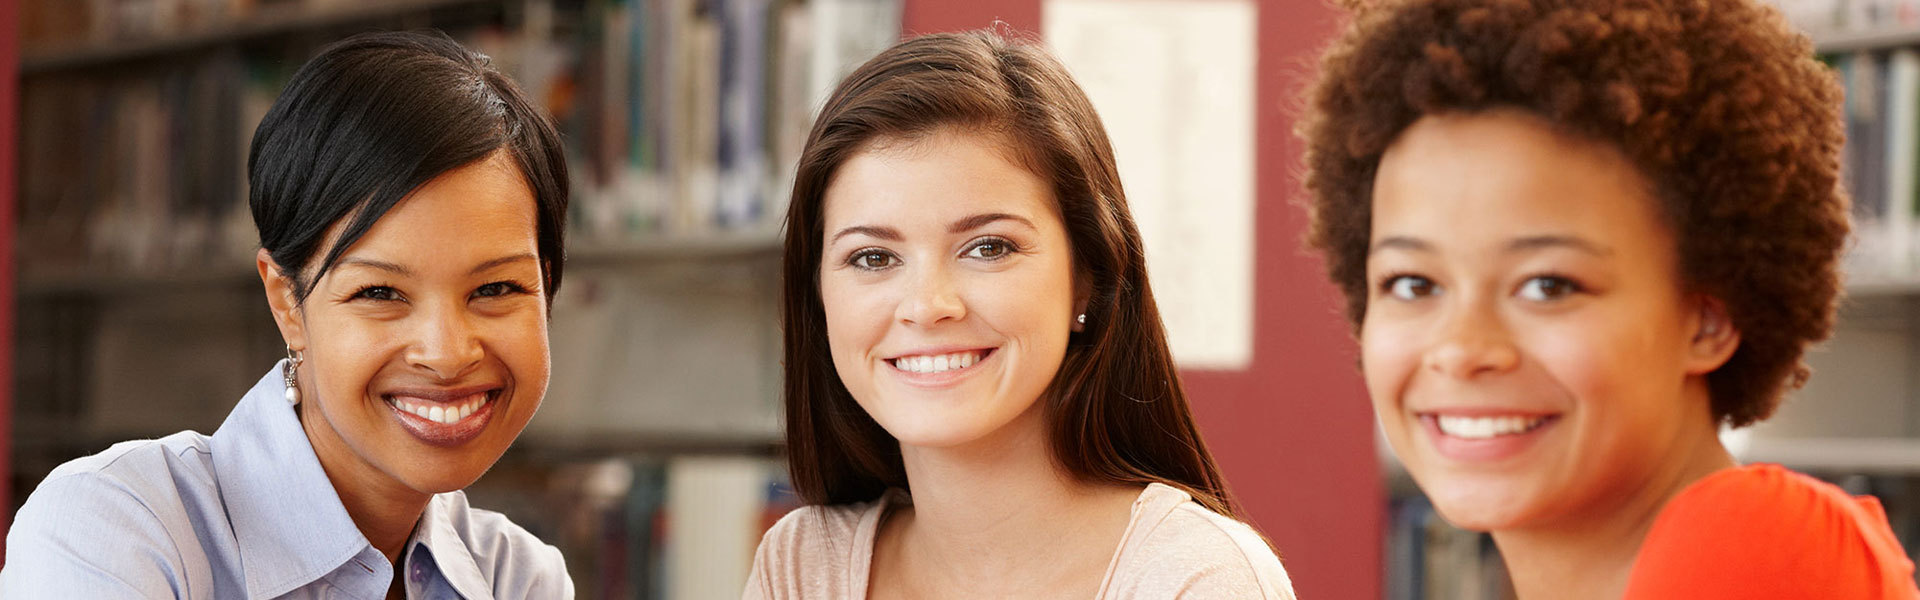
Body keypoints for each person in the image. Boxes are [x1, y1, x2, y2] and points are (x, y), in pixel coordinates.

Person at [1299, 0, 1920, 597]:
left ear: (1708, 320)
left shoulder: (1755, 542)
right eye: (1413, 284)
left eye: (1548, 285)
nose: (1462, 350)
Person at [2, 30, 574, 598]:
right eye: (380, 293)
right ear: (287, 302)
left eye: (496, 287)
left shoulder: (515, 577)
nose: (448, 353)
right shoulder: (114, 532)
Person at [743, 29, 1295, 599]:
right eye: (874, 257)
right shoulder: (803, 566)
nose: (928, 306)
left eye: (989, 247)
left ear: (1087, 279)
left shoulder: (1195, 579)